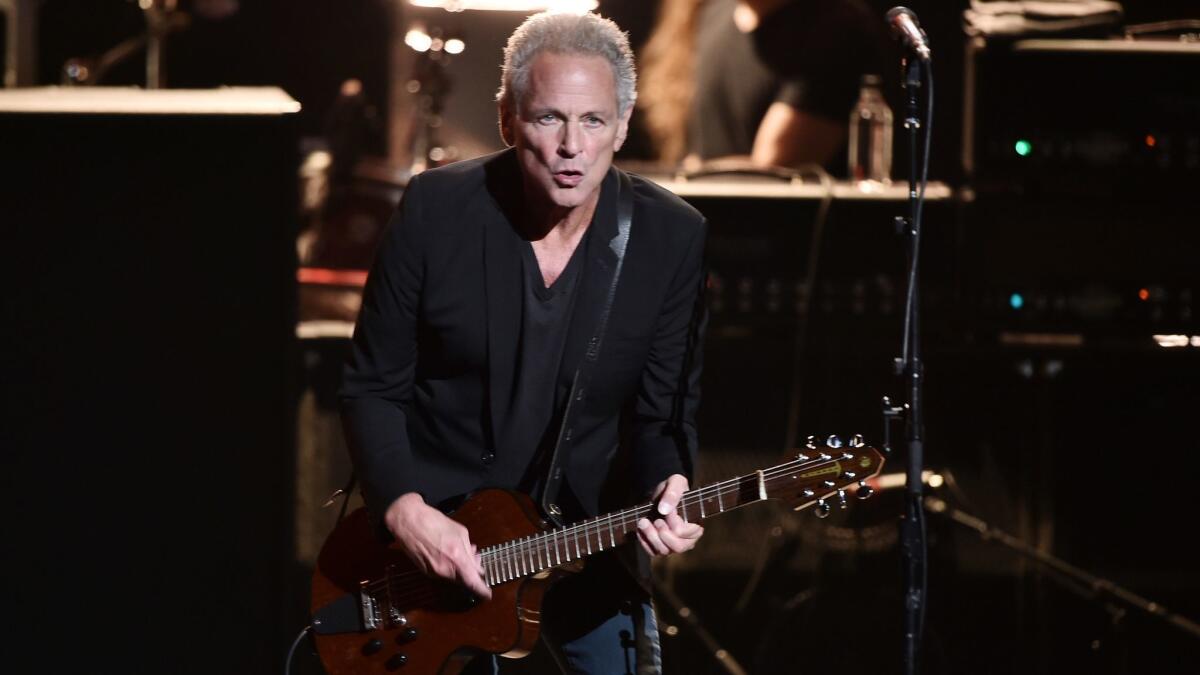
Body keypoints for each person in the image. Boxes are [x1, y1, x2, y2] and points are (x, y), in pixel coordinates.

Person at [339, 11, 708, 674]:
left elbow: (663, 413)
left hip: (584, 558)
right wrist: (403, 508)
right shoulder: (435, 210)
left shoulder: (669, 237)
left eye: (593, 120)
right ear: (508, 119)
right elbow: (372, 385)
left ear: (623, 124)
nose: (572, 146)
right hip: (433, 564)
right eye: (548, 119)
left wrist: (671, 484)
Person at [639, 0, 887, 171]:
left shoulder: (835, 26)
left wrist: (686, 178)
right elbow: (696, 152)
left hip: (788, 240)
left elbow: (775, 169)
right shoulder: (711, 17)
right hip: (709, 235)